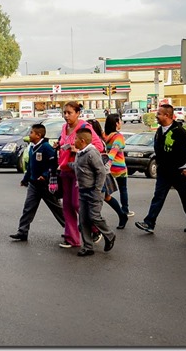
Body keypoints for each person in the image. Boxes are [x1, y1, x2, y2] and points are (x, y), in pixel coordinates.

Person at [135, 104, 186, 233]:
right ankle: (149, 222)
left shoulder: (179, 131)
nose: (156, 116)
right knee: (158, 196)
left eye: (159, 113)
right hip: (164, 171)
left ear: (167, 115)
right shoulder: (160, 131)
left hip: (178, 171)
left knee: (185, 196)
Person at [56, 102, 104, 249]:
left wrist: (78, 149)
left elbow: (98, 146)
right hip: (65, 169)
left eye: (69, 113)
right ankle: (72, 238)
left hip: (81, 171)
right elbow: (63, 142)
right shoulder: (65, 128)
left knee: (78, 203)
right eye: (64, 113)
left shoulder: (84, 128)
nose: (66, 116)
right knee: (67, 205)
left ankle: (95, 228)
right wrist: (58, 145)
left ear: (78, 113)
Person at [10, 124, 65, 241]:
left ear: (38, 135)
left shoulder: (46, 147)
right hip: (33, 184)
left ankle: (70, 229)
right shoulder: (32, 147)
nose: (29, 135)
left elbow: (53, 163)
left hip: (45, 185)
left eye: (31, 133)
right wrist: (25, 179)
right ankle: (22, 231)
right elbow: (30, 166)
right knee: (28, 208)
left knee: (57, 209)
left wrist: (45, 175)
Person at [69, 128, 116, 256]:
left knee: (94, 216)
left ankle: (109, 235)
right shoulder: (80, 153)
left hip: (93, 191)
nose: (74, 141)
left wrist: (97, 190)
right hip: (83, 191)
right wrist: (67, 165)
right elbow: (80, 167)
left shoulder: (92, 153)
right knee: (84, 219)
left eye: (76, 139)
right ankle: (88, 247)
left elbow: (101, 172)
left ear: (82, 141)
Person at [104, 113, 135, 226]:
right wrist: (110, 161)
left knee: (106, 193)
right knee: (123, 189)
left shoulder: (105, 136)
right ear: (116, 123)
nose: (121, 123)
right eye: (120, 121)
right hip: (119, 167)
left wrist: (107, 164)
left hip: (108, 168)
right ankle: (125, 210)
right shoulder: (118, 137)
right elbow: (114, 150)